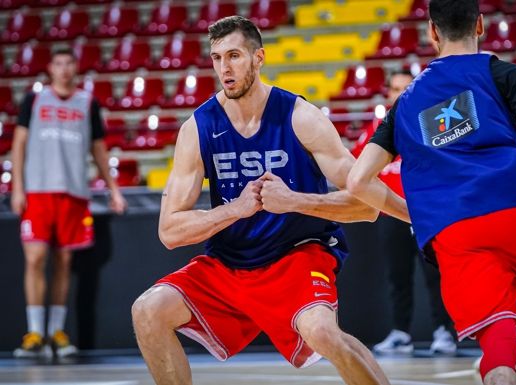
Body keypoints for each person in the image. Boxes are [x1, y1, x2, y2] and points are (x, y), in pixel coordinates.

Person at [346, 1, 516, 384]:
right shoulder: (501, 73)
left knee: (497, 345)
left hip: (455, 231)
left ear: (431, 31)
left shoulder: (404, 103)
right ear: (480, 25)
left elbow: (357, 180)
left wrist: (420, 214)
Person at [130, 16, 391, 385]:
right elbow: (170, 231)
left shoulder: (300, 117)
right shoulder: (198, 128)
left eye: (234, 56)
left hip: (296, 255)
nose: (225, 68)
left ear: (258, 58)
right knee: (147, 310)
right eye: (217, 58)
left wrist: (294, 200)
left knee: (323, 333)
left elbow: (367, 205)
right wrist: (235, 209)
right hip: (229, 263)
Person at [11, 48, 126, 358]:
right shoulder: (34, 100)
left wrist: (114, 189)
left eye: (69, 63)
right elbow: (18, 145)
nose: (63, 69)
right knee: (35, 259)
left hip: (74, 193)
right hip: (38, 190)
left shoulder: (88, 102)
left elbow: (99, 150)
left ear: (76, 67)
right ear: (50, 68)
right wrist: (17, 187)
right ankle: (35, 332)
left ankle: (56, 333)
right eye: (58, 63)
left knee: (64, 263)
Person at [352, 70, 456, 355]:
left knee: (434, 275)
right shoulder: (376, 126)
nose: (398, 93)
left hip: (424, 213)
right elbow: (357, 165)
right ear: (387, 94)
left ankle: (443, 332)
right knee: (397, 277)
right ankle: (400, 333)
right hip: (390, 214)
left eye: (404, 88)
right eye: (394, 88)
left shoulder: (428, 121)